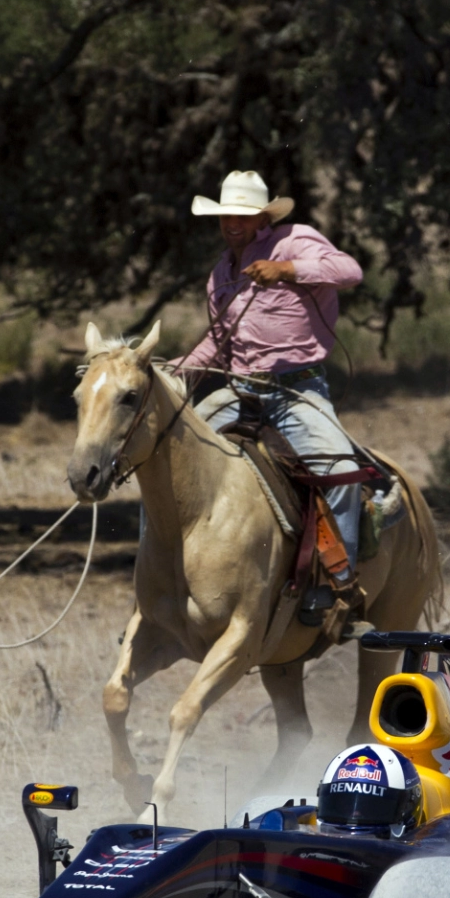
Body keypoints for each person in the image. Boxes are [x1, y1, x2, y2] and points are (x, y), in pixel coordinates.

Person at [181, 169, 366, 593]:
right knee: (171, 454)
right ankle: (164, 581)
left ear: (263, 218)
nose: (233, 224)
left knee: (342, 471)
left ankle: (337, 585)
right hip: (239, 390)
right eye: (227, 216)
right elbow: (215, 342)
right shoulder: (219, 274)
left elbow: (350, 270)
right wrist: (172, 373)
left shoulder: (295, 240)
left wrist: (287, 270)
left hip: (296, 390)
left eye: (243, 216)